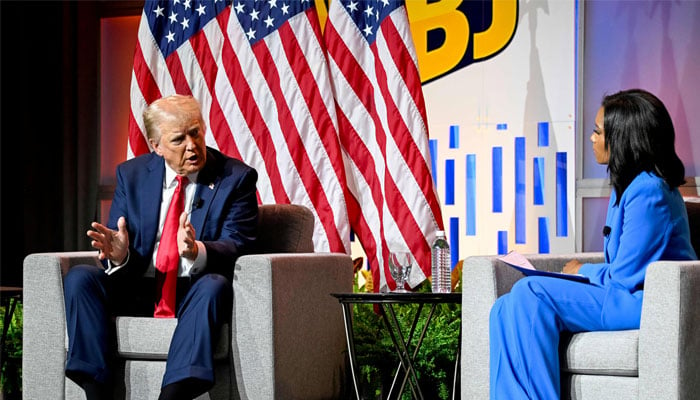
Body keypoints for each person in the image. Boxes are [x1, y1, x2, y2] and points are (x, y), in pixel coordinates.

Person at [488, 88, 697, 399]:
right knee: (504, 307)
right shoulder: (627, 186)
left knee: (531, 292)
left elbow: (624, 277)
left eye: (599, 131)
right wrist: (581, 272)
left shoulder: (650, 192)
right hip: (622, 296)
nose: (592, 138)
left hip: (645, 303)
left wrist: (581, 270)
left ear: (623, 137)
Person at [62, 94, 258, 400]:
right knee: (80, 278)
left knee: (213, 285)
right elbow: (119, 236)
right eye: (179, 139)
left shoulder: (235, 178)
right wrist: (120, 254)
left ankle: (173, 394)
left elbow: (239, 243)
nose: (192, 146)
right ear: (157, 146)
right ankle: (96, 392)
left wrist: (198, 252)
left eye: (196, 132)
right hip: (139, 286)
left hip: (193, 292)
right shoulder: (133, 174)